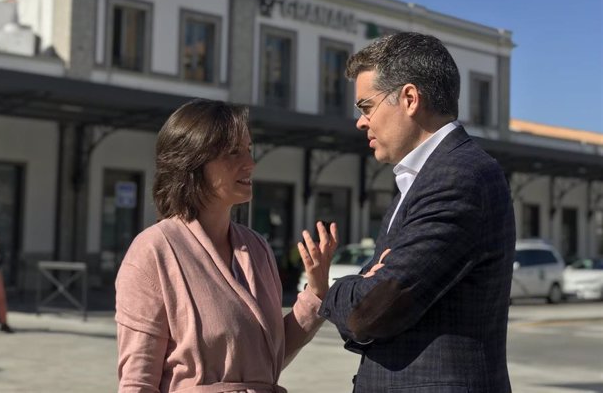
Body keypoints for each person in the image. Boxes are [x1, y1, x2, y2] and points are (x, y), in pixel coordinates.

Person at [319, 32, 515, 392]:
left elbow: (373, 309)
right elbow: (373, 288)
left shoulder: (459, 177)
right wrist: (362, 284)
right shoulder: (421, 179)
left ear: (409, 98)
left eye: (365, 107)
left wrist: (328, 290)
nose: (360, 122)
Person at [115, 98, 338, 393]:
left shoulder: (256, 248)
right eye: (233, 152)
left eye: (249, 149)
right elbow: (137, 383)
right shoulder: (154, 252)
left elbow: (264, 359)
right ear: (192, 162)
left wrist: (317, 294)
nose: (250, 163)